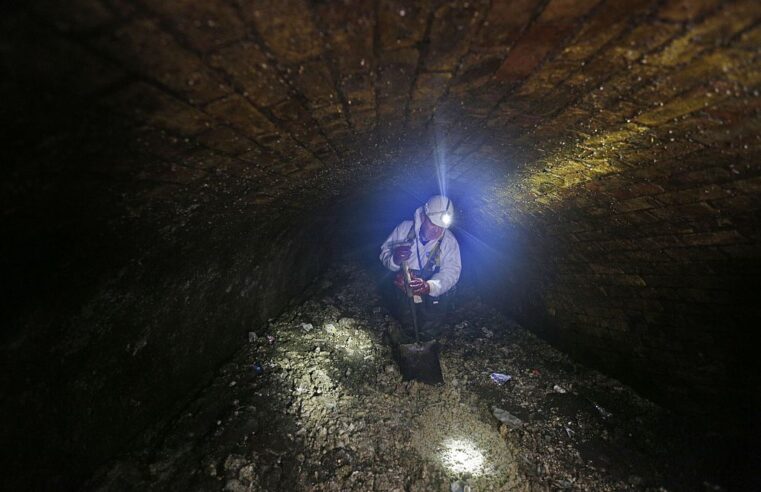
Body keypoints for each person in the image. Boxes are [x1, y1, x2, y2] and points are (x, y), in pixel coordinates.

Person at [379, 195, 461, 340]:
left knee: (431, 324)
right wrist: (395, 259)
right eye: (433, 224)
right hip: (404, 287)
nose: (437, 231)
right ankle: (408, 338)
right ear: (423, 215)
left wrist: (430, 286)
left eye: (441, 227)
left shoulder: (449, 241)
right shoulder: (404, 229)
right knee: (405, 319)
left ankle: (428, 341)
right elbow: (384, 253)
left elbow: (452, 271)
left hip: (432, 292)